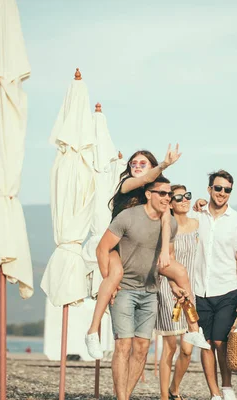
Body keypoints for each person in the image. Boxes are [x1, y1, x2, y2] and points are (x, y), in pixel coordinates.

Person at [85, 146, 207, 359]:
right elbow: (141, 181)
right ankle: (93, 331)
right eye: (134, 163)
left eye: (143, 164)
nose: (137, 167)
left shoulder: (157, 192)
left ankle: (194, 329)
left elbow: (166, 219)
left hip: (144, 250)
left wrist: (165, 255)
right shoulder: (127, 185)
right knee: (115, 275)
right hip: (118, 246)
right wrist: (164, 164)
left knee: (181, 272)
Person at [96, 176, 189, 400]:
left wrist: (174, 285)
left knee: (141, 348)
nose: (168, 198)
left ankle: (125, 396)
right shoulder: (128, 217)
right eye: (163, 193)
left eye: (170, 194)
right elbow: (102, 249)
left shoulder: (171, 224)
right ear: (149, 194)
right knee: (124, 345)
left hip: (150, 292)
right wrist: (109, 283)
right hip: (124, 289)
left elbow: (169, 261)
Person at [192, 170, 237, 400]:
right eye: (218, 188)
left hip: (228, 289)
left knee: (220, 340)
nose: (222, 193)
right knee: (206, 343)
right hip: (199, 290)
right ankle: (215, 393)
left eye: (227, 190)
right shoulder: (196, 216)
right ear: (209, 190)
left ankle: (227, 386)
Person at [155, 185, 200, 400]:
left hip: (191, 291)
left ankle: (175, 387)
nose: (184, 200)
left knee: (188, 349)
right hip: (169, 289)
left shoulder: (199, 225)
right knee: (171, 346)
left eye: (187, 195)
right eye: (179, 197)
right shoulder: (167, 227)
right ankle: (165, 395)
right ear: (170, 203)